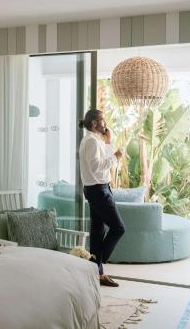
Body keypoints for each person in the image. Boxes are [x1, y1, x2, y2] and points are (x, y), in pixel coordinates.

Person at [78, 109, 125, 287]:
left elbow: (102, 159)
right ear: (94, 124)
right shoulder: (90, 142)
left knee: (98, 232)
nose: (105, 123)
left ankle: (97, 275)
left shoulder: (95, 140)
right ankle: (93, 264)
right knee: (118, 228)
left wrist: (109, 142)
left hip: (99, 189)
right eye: (102, 120)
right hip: (98, 191)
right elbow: (97, 166)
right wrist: (116, 157)